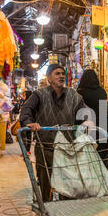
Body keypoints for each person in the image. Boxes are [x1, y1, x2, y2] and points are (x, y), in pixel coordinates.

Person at [20, 64, 92, 202]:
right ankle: (45, 211)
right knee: (45, 182)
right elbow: (26, 110)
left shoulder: (73, 95)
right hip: (45, 147)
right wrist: (30, 123)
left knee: (67, 185)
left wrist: (87, 121)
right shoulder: (39, 94)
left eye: (62, 74)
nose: (61, 76)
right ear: (49, 78)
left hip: (67, 149)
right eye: (57, 74)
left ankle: (63, 213)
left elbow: (84, 110)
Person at [76, 69, 108, 168]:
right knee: (102, 154)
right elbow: (105, 110)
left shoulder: (79, 93)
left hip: (87, 129)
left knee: (87, 157)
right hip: (102, 127)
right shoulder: (101, 91)